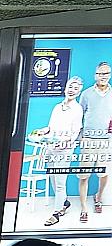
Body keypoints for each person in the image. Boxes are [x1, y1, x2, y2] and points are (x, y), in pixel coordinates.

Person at [41, 76, 84, 226]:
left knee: (60, 182)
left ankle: (56, 213)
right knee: (53, 178)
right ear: (65, 88)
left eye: (76, 88)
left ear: (79, 92)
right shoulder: (57, 107)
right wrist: (42, 131)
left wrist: (66, 142)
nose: (72, 90)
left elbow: (75, 132)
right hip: (51, 148)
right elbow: (50, 128)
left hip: (64, 151)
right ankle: (64, 202)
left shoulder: (77, 110)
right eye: (70, 87)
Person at [80, 62, 112, 220]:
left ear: (110, 75)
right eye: (100, 73)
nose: (103, 76)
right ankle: (84, 208)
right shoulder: (86, 94)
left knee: (103, 174)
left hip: (106, 141)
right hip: (88, 141)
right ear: (95, 75)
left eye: (106, 73)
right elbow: (80, 115)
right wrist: (81, 137)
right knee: (84, 175)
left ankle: (98, 197)